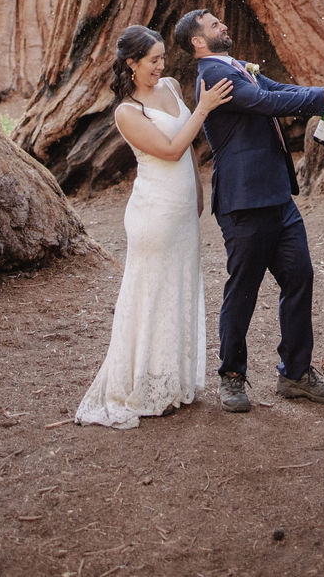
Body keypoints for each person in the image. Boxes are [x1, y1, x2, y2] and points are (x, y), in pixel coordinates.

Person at [173, 9, 324, 414]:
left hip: (278, 197)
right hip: (242, 202)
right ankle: (231, 377)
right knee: (243, 290)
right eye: (213, 24)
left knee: (299, 276)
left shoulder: (239, 67)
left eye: (222, 19)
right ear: (197, 43)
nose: (223, 24)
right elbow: (264, 102)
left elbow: (279, 89)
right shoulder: (212, 76)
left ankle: (295, 373)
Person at [75, 25, 233, 429]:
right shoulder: (127, 112)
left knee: (180, 288)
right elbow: (169, 148)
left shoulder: (171, 86)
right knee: (154, 294)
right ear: (131, 64)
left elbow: (190, 152)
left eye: (163, 58)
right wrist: (204, 108)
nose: (161, 66)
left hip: (182, 209)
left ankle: (174, 379)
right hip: (154, 215)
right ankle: (145, 382)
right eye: (152, 60)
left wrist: (199, 189)